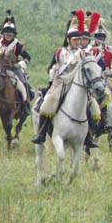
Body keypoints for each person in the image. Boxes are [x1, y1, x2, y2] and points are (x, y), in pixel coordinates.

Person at [33, 11, 87, 144]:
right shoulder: (60, 52)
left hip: (77, 84)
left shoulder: (83, 54)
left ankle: (89, 136)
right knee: (46, 103)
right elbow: (50, 68)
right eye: (75, 40)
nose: (77, 42)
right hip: (61, 83)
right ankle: (41, 132)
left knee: (92, 106)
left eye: (79, 39)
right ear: (69, 40)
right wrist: (54, 72)